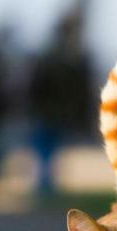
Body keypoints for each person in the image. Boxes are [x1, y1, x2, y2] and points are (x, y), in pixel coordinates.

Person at [27, 12, 94, 197]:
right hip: (52, 111)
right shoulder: (69, 57)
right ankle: (45, 185)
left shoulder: (54, 56)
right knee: (47, 149)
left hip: (49, 111)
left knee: (46, 149)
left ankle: (45, 185)